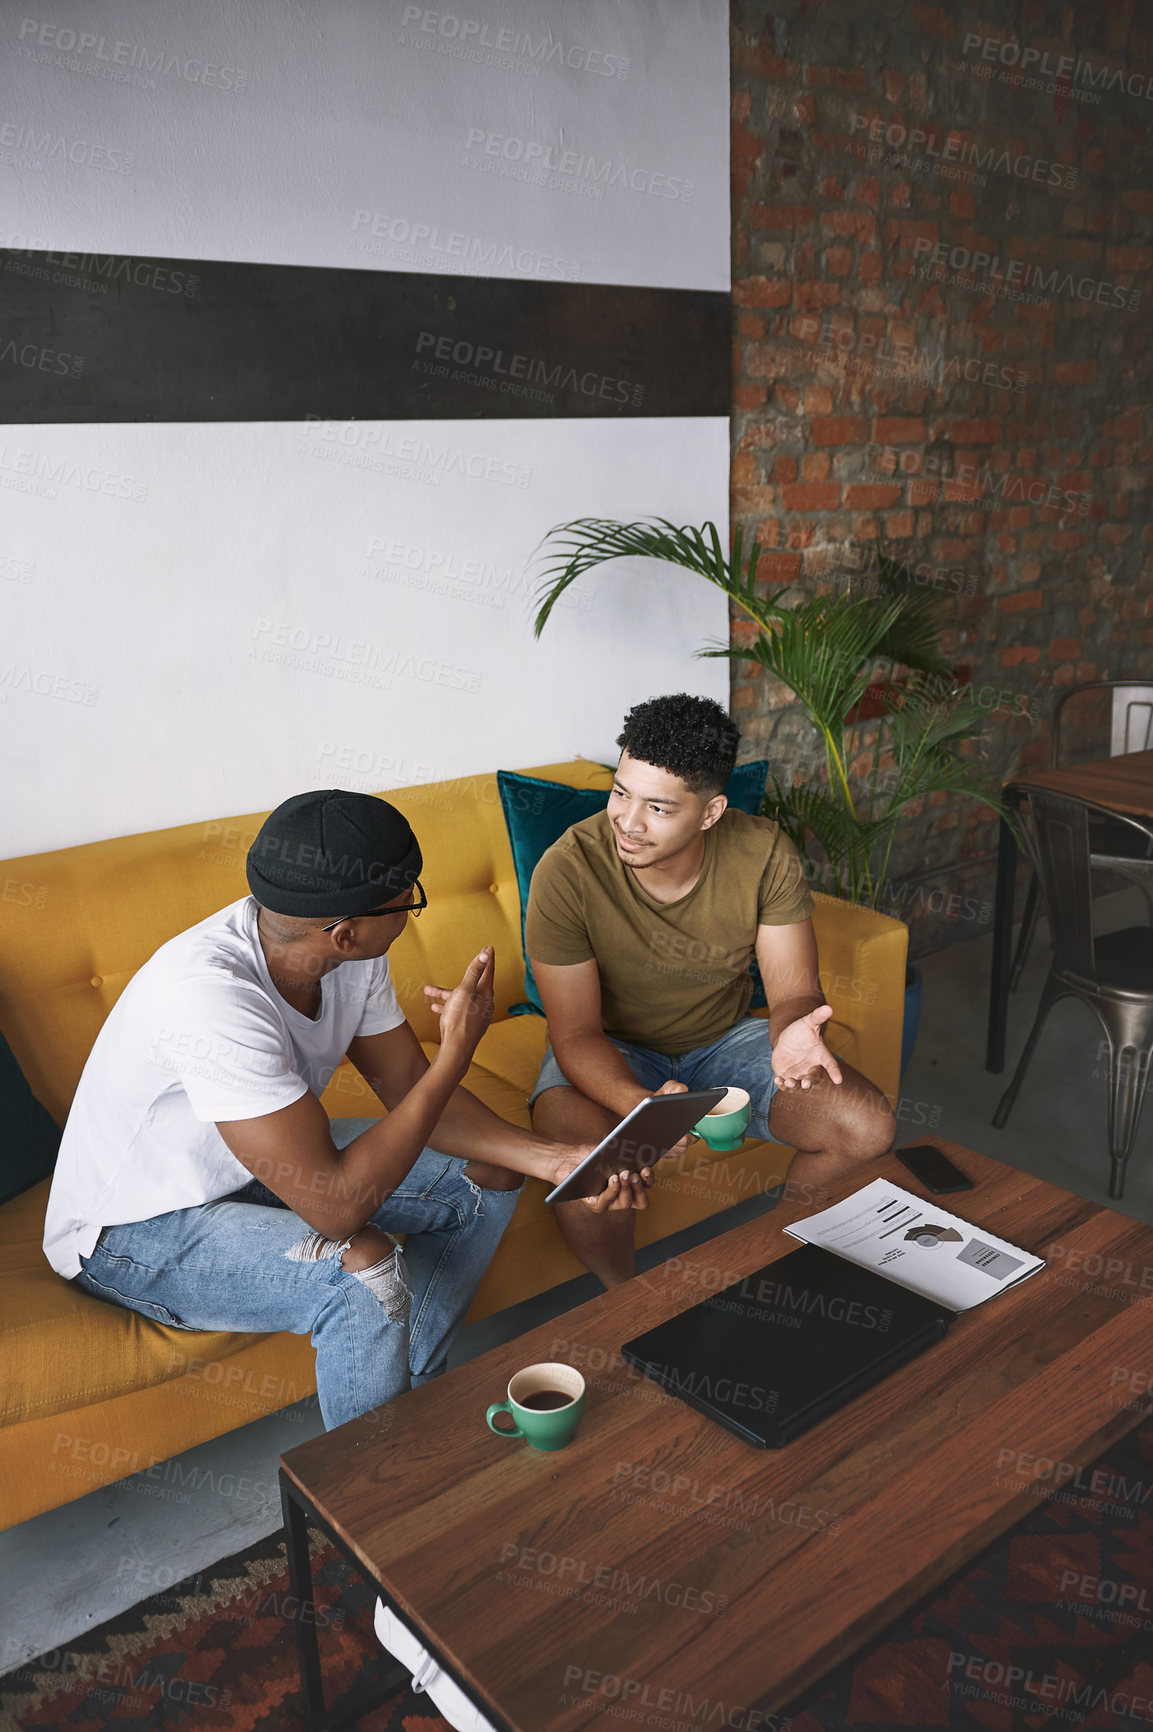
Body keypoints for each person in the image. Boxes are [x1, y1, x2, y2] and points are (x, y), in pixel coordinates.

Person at [43, 790, 647, 1430]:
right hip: (135, 1229)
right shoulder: (208, 998)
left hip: (252, 1171)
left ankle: (412, 1397)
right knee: (364, 1270)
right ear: (345, 930)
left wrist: (554, 1159)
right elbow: (336, 1208)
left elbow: (406, 1082)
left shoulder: (345, 952)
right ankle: (365, 1496)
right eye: (408, 900)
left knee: (488, 1173)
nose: (412, 915)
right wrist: (455, 1057)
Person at [526, 693, 897, 1288]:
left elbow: (793, 994)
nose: (628, 821)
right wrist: (635, 1104)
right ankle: (627, 1301)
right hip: (614, 1051)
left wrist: (793, 1033)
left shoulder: (764, 850)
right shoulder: (567, 869)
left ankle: (773, 1265)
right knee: (591, 1171)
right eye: (621, 792)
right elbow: (573, 1032)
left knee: (868, 1127)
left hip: (723, 1041)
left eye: (659, 807)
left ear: (710, 811)